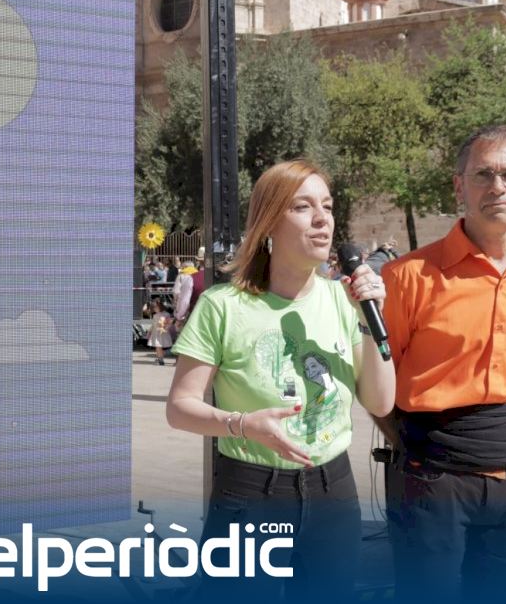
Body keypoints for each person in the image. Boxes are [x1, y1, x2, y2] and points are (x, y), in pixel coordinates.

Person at [166, 159, 395, 599]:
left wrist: (370, 319)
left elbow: (381, 402)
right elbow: (180, 408)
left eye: (327, 206)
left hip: (333, 492)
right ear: (269, 221)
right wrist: (243, 425)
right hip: (251, 493)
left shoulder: (344, 300)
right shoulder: (223, 306)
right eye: (303, 206)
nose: (322, 218)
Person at [380, 125, 506, 601]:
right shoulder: (407, 277)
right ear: (459, 186)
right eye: (483, 174)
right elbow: (376, 383)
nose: (497, 186)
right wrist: (412, 445)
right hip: (432, 477)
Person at [147, 299, 174, 365]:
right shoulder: (156, 315)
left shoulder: (166, 314)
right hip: (157, 333)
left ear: (160, 306)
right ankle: (160, 359)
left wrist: (166, 327)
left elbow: (169, 323)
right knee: (158, 346)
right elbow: (153, 324)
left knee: (159, 346)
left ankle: (160, 357)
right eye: (153, 308)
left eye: (155, 308)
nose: (154, 310)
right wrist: (149, 331)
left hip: (162, 332)